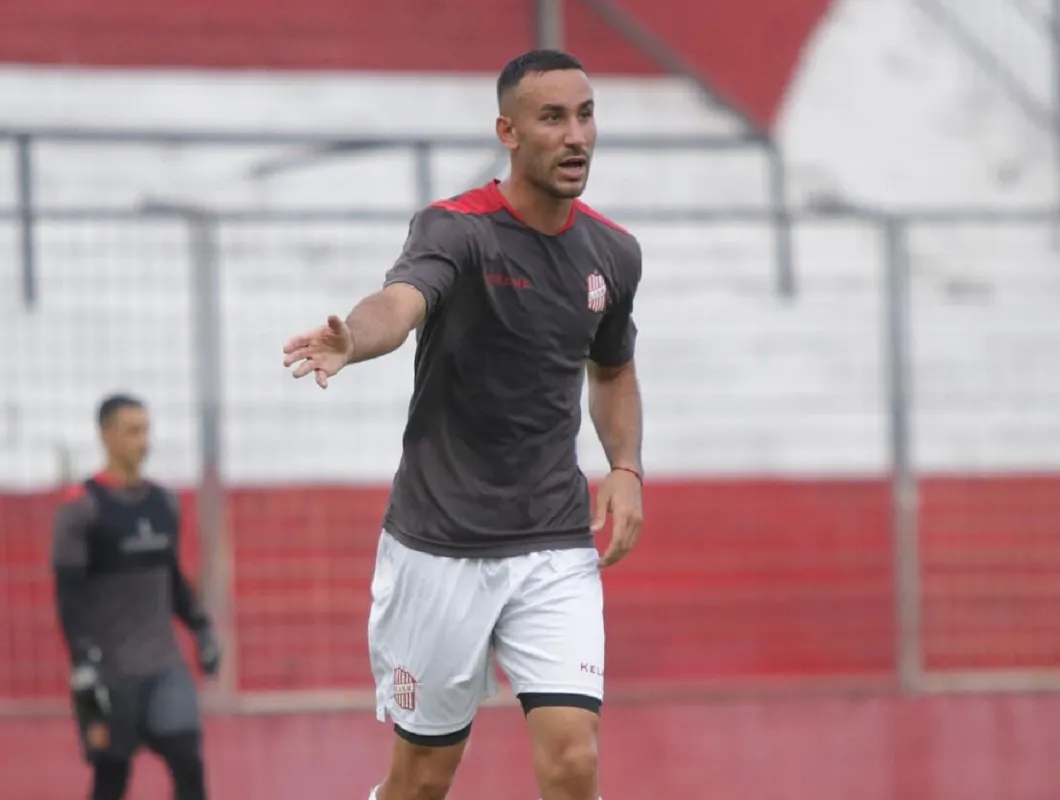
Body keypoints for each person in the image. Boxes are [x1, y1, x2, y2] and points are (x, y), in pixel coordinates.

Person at [282, 48, 644, 800]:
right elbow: (403, 301)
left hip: (552, 540)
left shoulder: (613, 252)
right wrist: (354, 338)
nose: (575, 135)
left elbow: (610, 369)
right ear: (508, 132)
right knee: (422, 782)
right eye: (552, 118)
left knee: (575, 762)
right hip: (440, 546)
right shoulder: (457, 230)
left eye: (585, 114)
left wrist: (625, 466)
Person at [51, 393, 221, 800]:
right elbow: (68, 597)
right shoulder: (81, 509)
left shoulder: (163, 502)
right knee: (112, 779)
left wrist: (201, 629)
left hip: (164, 667)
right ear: (106, 435)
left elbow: (173, 579)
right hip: (109, 673)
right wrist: (83, 663)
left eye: (146, 430)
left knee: (189, 764)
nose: (143, 440)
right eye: (132, 431)